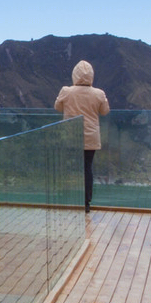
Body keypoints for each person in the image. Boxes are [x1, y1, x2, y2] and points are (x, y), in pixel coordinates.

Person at [55, 59, 110, 211]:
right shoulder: (98, 93)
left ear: (75, 75)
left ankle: (67, 199)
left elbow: (57, 107)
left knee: (70, 168)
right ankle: (86, 202)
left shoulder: (66, 91)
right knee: (87, 168)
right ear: (91, 75)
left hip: (71, 136)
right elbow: (105, 111)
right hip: (91, 137)